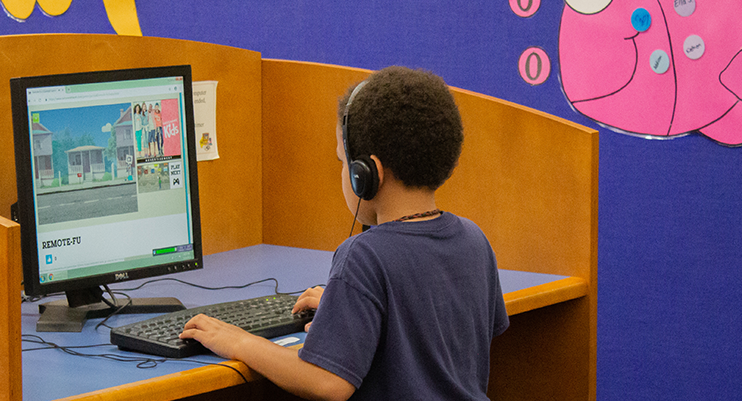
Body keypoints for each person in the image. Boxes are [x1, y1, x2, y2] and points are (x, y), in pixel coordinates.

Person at [180, 66, 510, 400]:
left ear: (366, 173)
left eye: (342, 161)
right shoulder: (473, 239)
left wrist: (239, 341)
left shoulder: (364, 256)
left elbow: (329, 382)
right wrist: (348, 312)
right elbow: (441, 329)